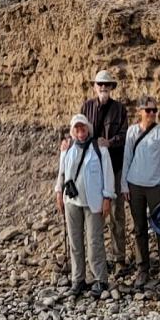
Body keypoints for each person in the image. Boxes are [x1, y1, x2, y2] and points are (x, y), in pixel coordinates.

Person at [56, 113, 115, 299]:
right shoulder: (68, 148)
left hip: (93, 202)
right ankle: (78, 279)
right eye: (77, 129)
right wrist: (59, 192)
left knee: (94, 241)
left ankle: (100, 279)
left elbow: (108, 174)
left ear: (87, 129)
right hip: (72, 201)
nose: (80, 133)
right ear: (72, 131)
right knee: (75, 241)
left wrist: (107, 197)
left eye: (83, 129)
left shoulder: (99, 148)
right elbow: (62, 173)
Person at [120, 95, 160, 289]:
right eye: (148, 110)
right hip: (135, 185)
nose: (152, 113)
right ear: (140, 111)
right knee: (139, 229)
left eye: (154, 110)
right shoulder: (132, 131)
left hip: (156, 186)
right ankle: (142, 269)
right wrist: (124, 185)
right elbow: (127, 158)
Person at [80, 70, 130, 273]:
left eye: (107, 84)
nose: (103, 87)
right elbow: (80, 132)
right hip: (92, 168)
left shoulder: (120, 109)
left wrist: (109, 142)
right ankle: (97, 259)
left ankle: (119, 259)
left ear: (112, 87)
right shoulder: (86, 107)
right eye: (100, 84)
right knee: (93, 212)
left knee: (117, 212)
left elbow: (125, 134)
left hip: (115, 166)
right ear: (94, 86)